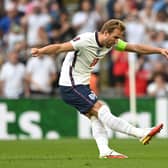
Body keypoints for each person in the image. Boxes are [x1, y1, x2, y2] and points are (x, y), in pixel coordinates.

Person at [31, 19, 167, 159]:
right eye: (115, 37)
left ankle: (104, 151)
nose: (117, 41)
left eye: (118, 38)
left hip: (81, 85)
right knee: (102, 110)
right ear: (106, 33)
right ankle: (139, 133)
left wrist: (159, 50)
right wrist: (40, 51)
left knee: (96, 118)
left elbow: (135, 48)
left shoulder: (110, 42)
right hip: (70, 85)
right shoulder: (85, 40)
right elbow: (60, 47)